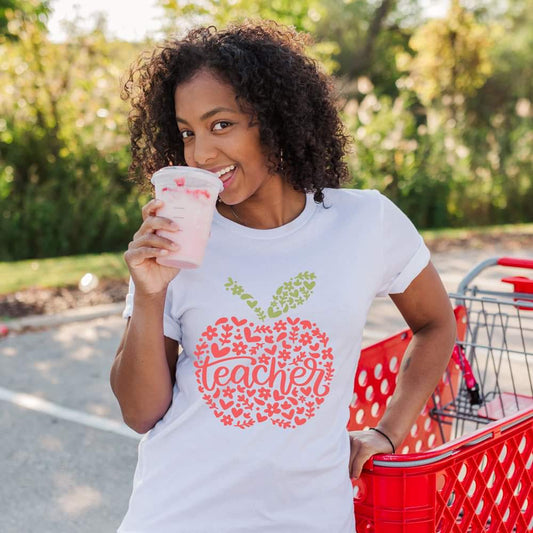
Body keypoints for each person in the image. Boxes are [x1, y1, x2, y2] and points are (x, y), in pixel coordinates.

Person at [110, 20, 456, 533]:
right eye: (187, 132)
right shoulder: (178, 239)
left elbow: (436, 324)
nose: (200, 154)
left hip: (312, 516)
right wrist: (149, 294)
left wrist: (388, 432)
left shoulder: (366, 222)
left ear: (273, 120)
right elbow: (141, 413)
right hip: (179, 513)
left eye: (220, 124)